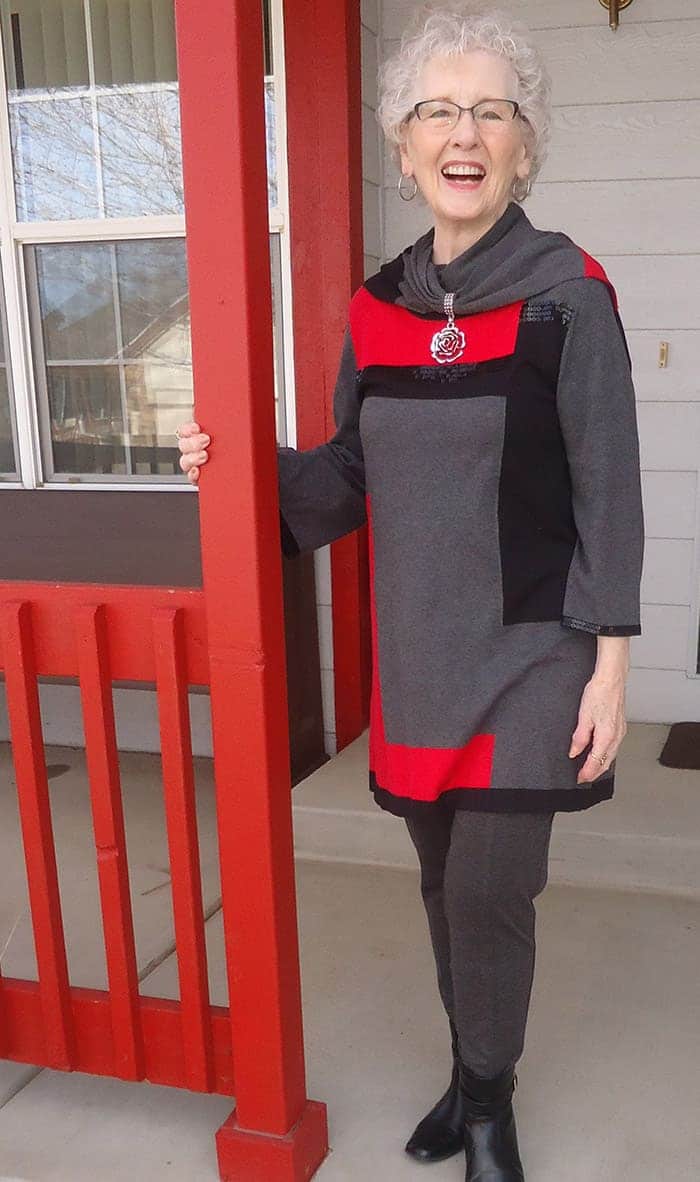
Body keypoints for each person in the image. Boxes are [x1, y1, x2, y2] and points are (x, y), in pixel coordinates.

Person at [176, 4, 644, 1178]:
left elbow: (608, 487)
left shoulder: (568, 295)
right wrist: (237, 465)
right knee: (440, 884)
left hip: (535, 654)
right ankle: (471, 1069)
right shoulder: (376, 310)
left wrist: (610, 668)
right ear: (404, 146)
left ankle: (486, 1110)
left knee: (489, 890)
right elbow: (348, 474)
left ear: (524, 146)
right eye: (437, 110)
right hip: (421, 656)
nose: (462, 132)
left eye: (490, 111)